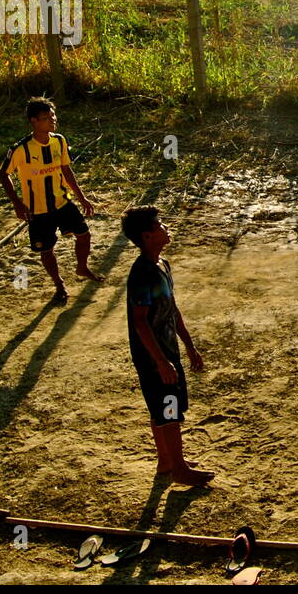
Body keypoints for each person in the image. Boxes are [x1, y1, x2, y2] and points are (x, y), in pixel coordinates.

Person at [121, 205, 214, 487]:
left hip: (167, 348)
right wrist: (161, 361)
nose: (165, 227)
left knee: (162, 409)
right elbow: (140, 322)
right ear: (147, 236)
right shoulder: (142, 274)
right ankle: (180, 469)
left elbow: (172, 310)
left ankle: (167, 461)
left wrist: (188, 345)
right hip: (153, 355)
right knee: (169, 409)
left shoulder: (162, 265)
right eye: (159, 225)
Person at [0, 97, 101, 305]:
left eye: (53, 116)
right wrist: (17, 203)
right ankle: (59, 284)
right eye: (46, 118)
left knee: (84, 234)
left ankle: (82, 267)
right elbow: (3, 174)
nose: (52, 120)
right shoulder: (21, 149)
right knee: (46, 251)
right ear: (34, 121)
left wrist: (82, 197)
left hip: (62, 202)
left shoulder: (59, 141)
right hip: (37, 210)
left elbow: (66, 169)